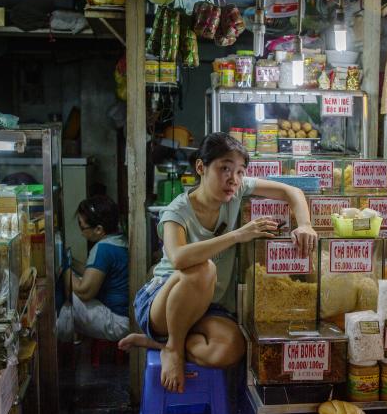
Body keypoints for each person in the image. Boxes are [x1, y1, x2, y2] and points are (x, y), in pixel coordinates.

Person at [119, 132, 318, 393]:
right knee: (202, 269)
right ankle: (173, 348)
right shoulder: (176, 212)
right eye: (224, 169)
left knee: (230, 349)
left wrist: (305, 225)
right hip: (163, 302)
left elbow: (291, 191)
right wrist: (238, 235)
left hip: (206, 307)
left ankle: (157, 343)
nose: (233, 179)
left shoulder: (237, 191)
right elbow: (179, 258)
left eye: (239, 171)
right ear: (201, 167)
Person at [64, 195, 130, 341]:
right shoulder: (118, 240)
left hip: (117, 322)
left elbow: (84, 291)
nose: (81, 232)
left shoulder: (103, 249)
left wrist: (65, 269)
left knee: (63, 294)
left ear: (99, 229)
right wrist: (72, 262)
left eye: (82, 227)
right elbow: (92, 272)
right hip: (124, 318)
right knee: (74, 282)